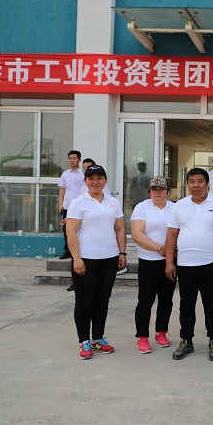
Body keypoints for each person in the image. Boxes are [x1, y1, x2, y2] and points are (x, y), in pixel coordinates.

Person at [165, 168, 213, 361]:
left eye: (200, 181)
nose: (196, 185)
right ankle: (186, 340)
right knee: (186, 305)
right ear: (187, 184)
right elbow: (171, 235)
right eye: (192, 181)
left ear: (207, 184)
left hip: (211, 264)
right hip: (185, 264)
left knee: (212, 305)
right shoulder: (179, 206)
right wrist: (169, 262)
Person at [65, 165, 126, 360]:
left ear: (105, 180)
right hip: (86, 260)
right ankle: (84, 340)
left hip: (109, 259)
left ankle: (98, 338)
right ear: (86, 181)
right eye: (91, 178)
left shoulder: (113, 202)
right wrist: (77, 258)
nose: (95, 182)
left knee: (102, 301)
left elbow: (120, 229)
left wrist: (122, 252)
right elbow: (71, 232)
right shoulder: (78, 203)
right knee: (84, 302)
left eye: (99, 177)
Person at [130, 176, 176, 354]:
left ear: (167, 192)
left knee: (166, 299)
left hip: (170, 262)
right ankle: (142, 336)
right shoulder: (142, 207)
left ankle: (161, 332)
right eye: (154, 190)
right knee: (145, 300)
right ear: (149, 192)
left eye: (161, 189)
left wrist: (170, 252)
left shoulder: (175, 208)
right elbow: (137, 234)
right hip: (148, 262)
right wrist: (159, 248)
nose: (158, 193)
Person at [57, 150, 84, 260]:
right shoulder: (65, 174)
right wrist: (60, 204)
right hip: (67, 206)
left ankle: (79, 250)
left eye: (74, 158)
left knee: (80, 229)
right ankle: (68, 250)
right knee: (66, 230)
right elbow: (62, 189)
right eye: (70, 158)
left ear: (79, 160)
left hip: (80, 206)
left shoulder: (83, 174)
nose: (72, 160)